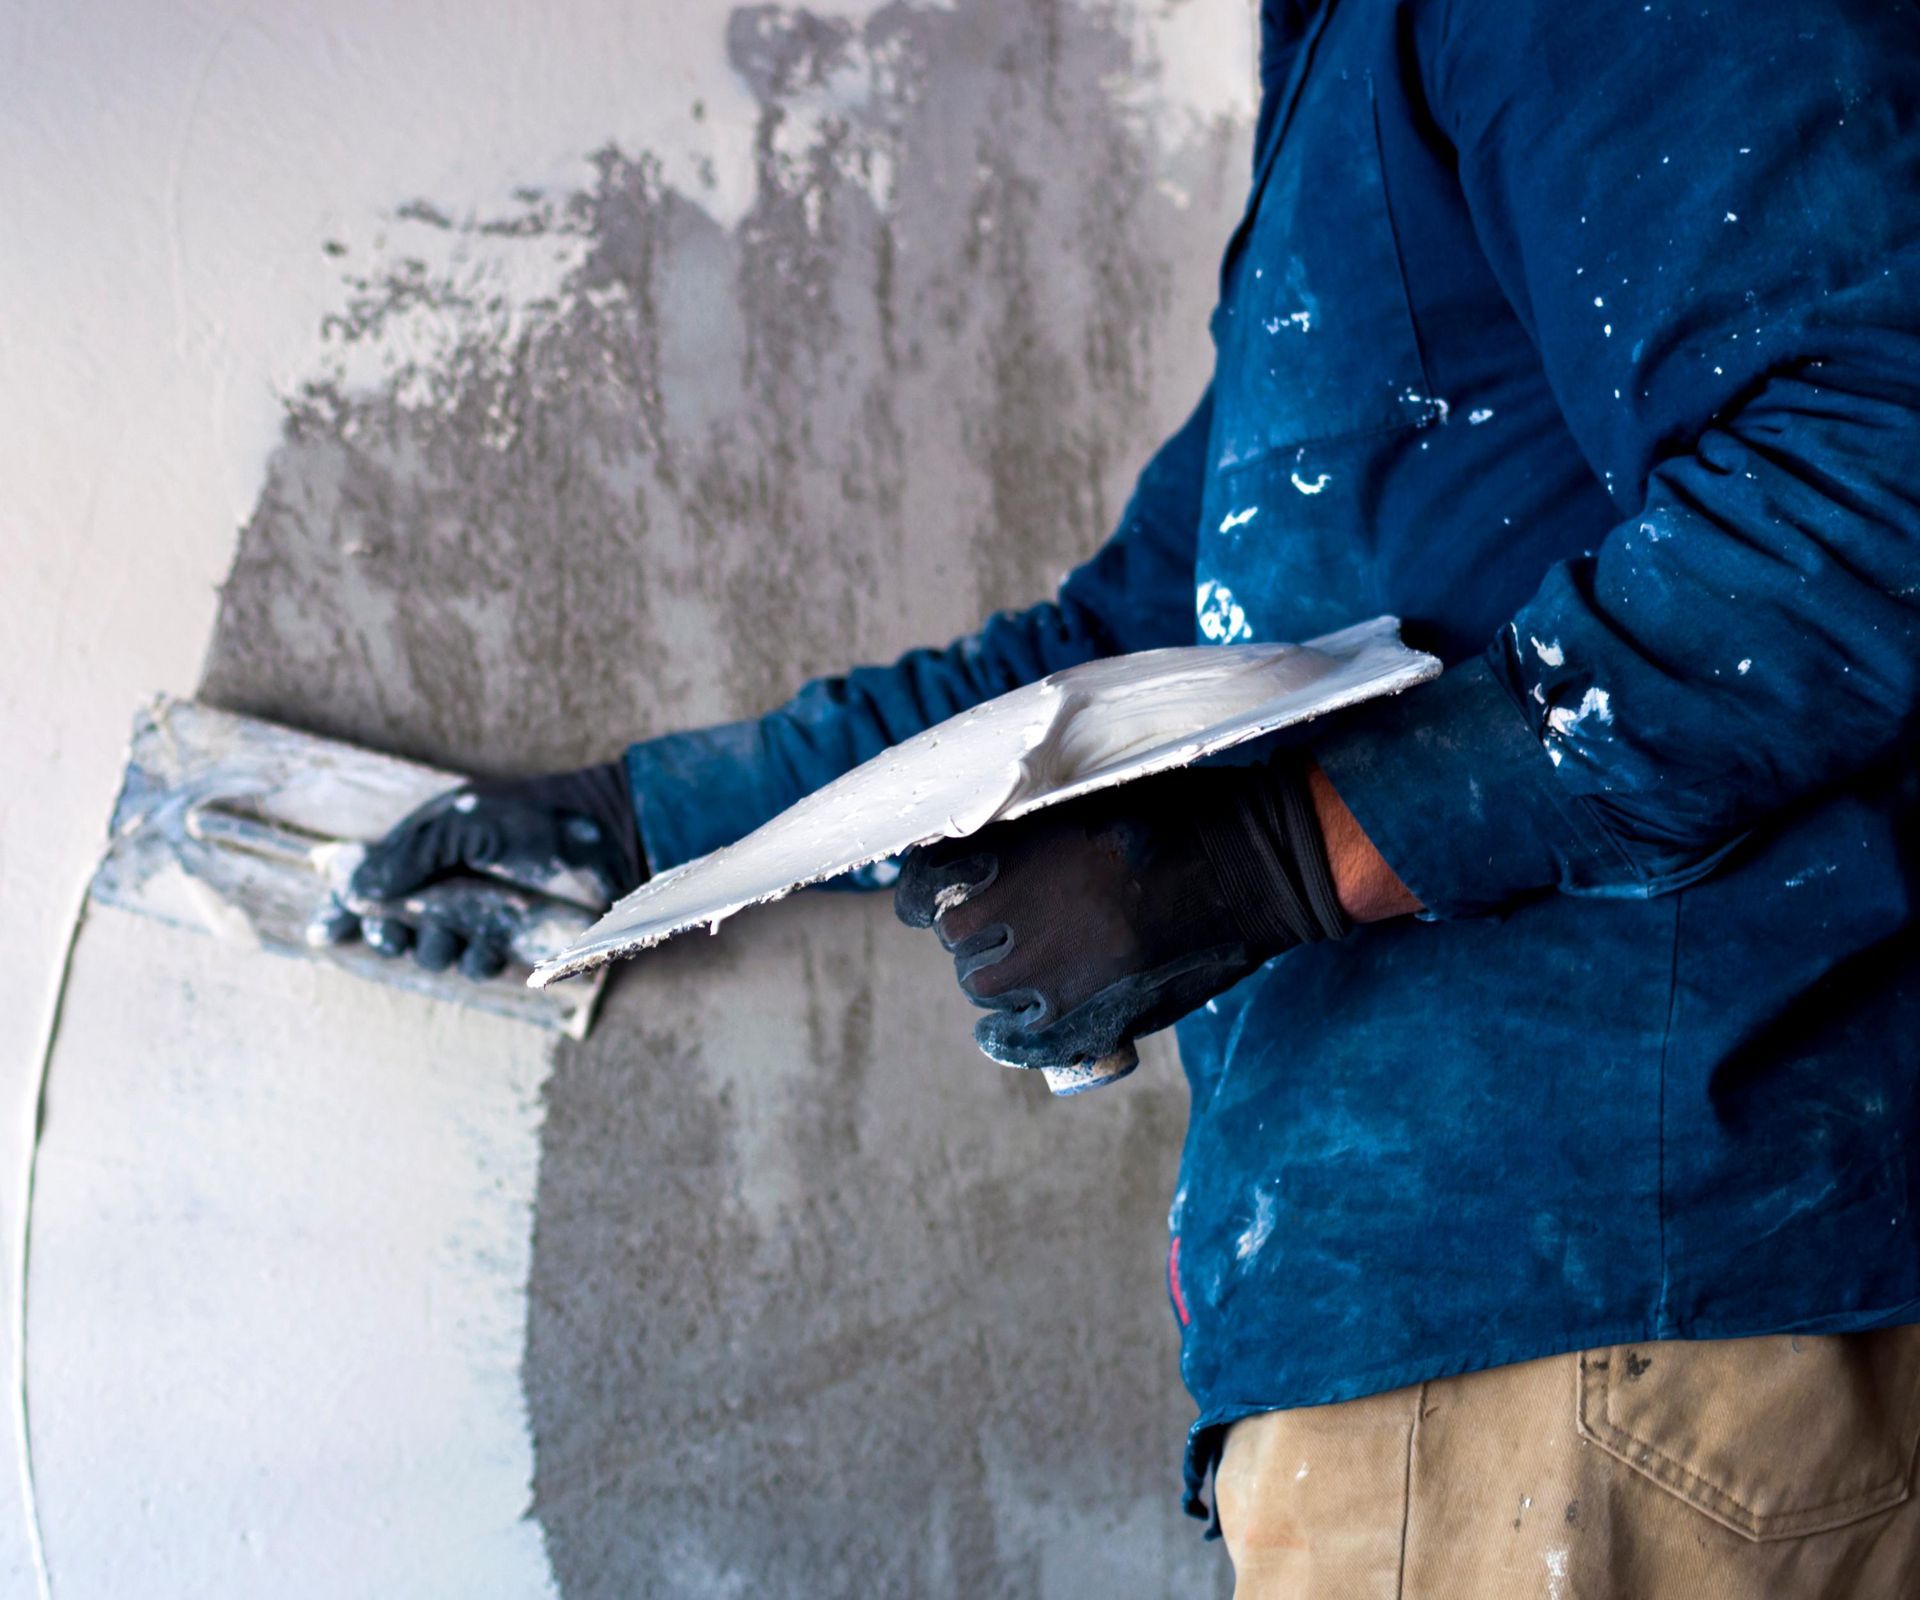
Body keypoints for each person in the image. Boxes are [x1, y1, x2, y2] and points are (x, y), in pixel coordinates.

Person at [338, 1, 1920, 1592]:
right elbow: (1130, 645)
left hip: (1617, 1318)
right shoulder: (1349, 69)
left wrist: (1283, 859)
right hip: (1498, 1359)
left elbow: (1871, 466)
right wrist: (650, 831)